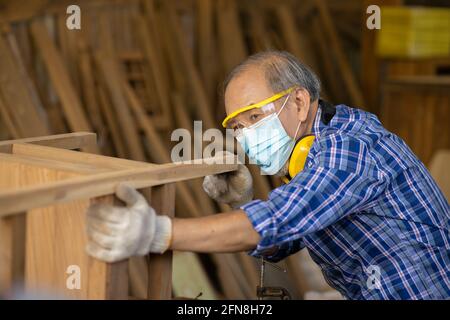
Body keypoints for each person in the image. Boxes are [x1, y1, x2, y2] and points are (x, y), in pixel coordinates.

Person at [85, 51, 449, 299]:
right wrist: (241, 202)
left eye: (255, 117)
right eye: (237, 126)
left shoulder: (348, 149)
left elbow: (275, 221)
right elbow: (281, 239)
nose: (246, 135)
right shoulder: (310, 155)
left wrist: (158, 232)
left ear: (300, 103)